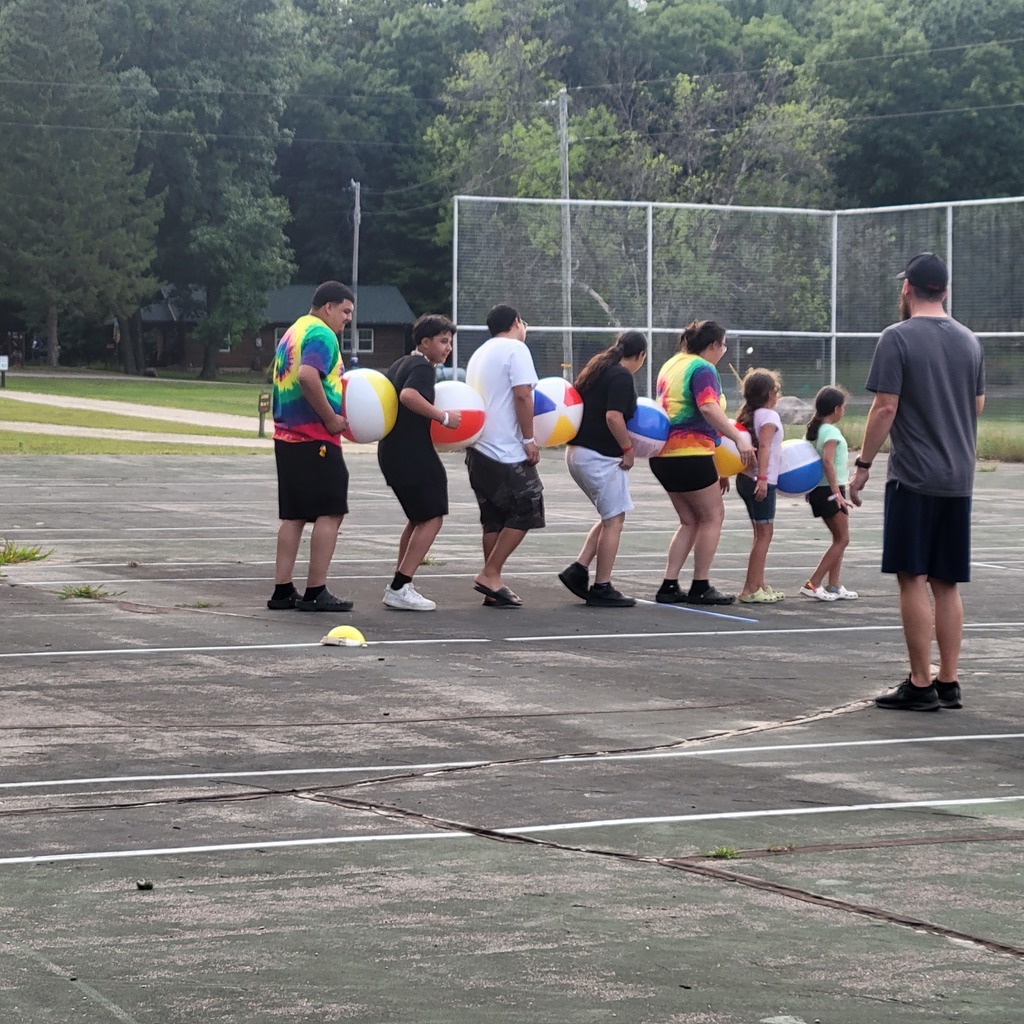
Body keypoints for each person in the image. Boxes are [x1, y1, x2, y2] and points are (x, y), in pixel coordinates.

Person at [849, 252, 985, 712]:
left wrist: (863, 464)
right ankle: (949, 680)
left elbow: (885, 407)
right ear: (943, 290)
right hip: (958, 476)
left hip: (915, 476)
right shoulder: (970, 341)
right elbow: (977, 405)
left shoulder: (897, 338)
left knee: (912, 576)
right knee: (947, 582)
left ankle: (920, 683)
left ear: (907, 288)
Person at [267, 281, 356, 613]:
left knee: (294, 515)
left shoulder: (294, 330)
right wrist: (332, 418)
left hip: (286, 437)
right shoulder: (321, 333)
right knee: (330, 512)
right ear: (328, 306)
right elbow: (307, 376)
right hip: (314, 437)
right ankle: (316, 589)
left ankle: (282, 590)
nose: (347, 319)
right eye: (345, 311)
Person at [650, 319, 755, 605]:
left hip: (663, 455)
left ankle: (669, 585)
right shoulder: (703, 368)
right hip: (690, 454)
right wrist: (739, 438)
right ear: (712, 345)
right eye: (723, 344)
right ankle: (701, 584)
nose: (724, 350)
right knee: (713, 516)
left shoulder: (673, 364)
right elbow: (708, 407)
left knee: (689, 520)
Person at [377, 314, 462, 611]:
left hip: (391, 451)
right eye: (442, 341)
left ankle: (400, 582)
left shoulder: (400, 363)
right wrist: (444, 417)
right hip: (411, 453)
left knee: (418, 517)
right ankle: (401, 586)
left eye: (450, 342)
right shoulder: (422, 368)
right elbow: (408, 395)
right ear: (424, 342)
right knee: (433, 515)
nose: (447, 347)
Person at [558, 331, 647, 608]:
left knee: (611, 516)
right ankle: (602, 586)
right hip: (599, 456)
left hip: (577, 451)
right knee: (614, 520)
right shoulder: (621, 375)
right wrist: (628, 449)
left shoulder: (598, 368)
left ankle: (579, 569)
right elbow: (613, 416)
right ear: (641, 356)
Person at [464, 304, 544, 608]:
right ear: (515, 322)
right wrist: (529, 439)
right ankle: (490, 574)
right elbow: (523, 394)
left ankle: (491, 587)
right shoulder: (515, 348)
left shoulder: (479, 353)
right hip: (505, 449)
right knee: (529, 504)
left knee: (493, 518)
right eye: (523, 322)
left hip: (478, 448)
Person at [800, 386, 856, 602]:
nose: (843, 411)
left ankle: (834, 585)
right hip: (830, 490)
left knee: (839, 538)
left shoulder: (813, 431)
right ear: (836, 408)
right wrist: (837, 493)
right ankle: (813, 583)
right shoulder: (831, 432)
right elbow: (827, 461)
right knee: (843, 539)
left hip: (818, 489)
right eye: (843, 407)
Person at [734, 368, 784, 604]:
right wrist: (763, 478)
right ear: (769, 394)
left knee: (760, 534)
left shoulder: (750, 415)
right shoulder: (769, 416)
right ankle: (750, 589)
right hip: (760, 481)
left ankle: (759, 584)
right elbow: (764, 447)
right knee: (764, 535)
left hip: (745, 479)